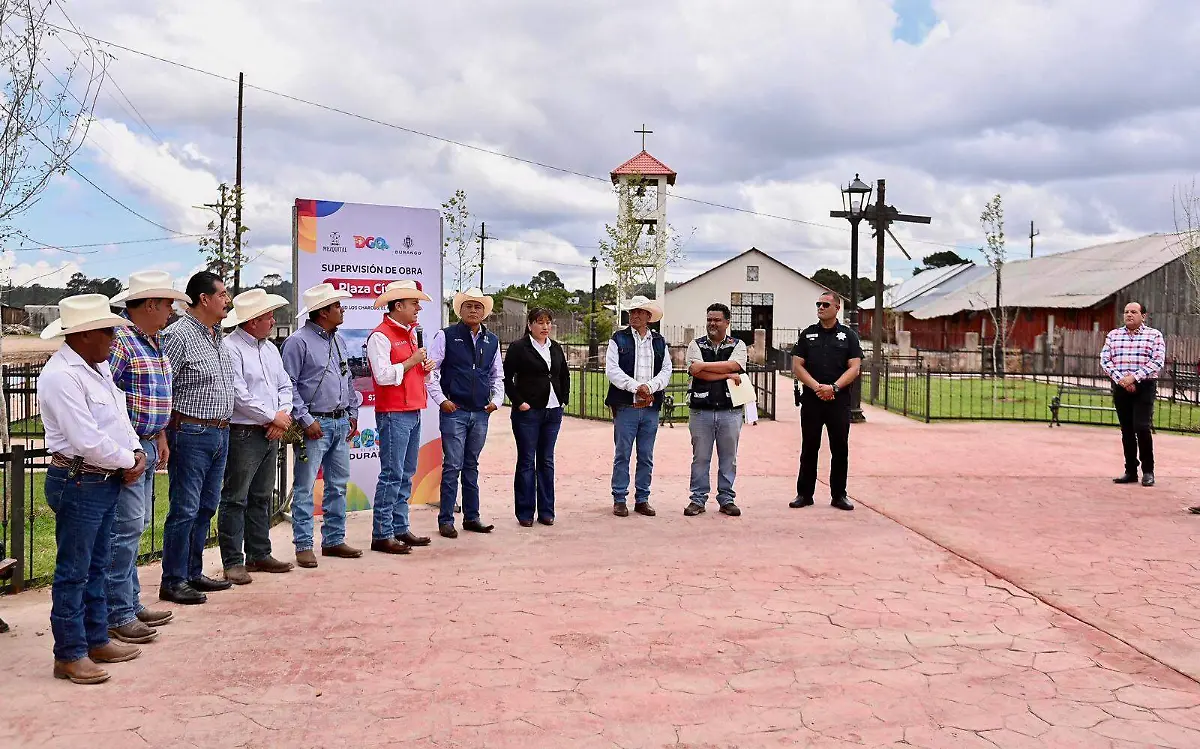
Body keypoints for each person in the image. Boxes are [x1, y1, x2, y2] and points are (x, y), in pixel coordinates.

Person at [38, 294, 149, 684]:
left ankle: (96, 636)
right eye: (107, 331)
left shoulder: (94, 368)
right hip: (80, 479)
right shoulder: (61, 376)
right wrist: (128, 459)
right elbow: (86, 439)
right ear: (84, 335)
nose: (113, 340)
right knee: (74, 570)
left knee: (97, 564)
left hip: (100, 478)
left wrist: (134, 450)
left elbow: (117, 419)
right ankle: (69, 653)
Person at [105, 271, 189, 644]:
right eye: (168, 303)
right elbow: (107, 398)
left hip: (148, 441)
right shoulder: (121, 342)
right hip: (129, 447)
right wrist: (130, 447)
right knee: (125, 529)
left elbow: (152, 395)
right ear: (151, 304)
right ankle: (116, 612)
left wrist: (159, 436)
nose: (171, 310)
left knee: (134, 527)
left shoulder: (151, 340)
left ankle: (130, 602)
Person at [160, 271, 236, 605]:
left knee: (206, 506)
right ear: (203, 299)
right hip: (191, 431)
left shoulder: (217, 334)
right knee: (185, 508)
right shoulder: (178, 335)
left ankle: (192, 571)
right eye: (222, 294)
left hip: (220, 431)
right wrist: (163, 432)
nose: (227, 300)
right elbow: (164, 387)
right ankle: (173, 579)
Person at [281, 283, 364, 568]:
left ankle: (333, 540)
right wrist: (305, 419)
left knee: (337, 486)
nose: (342, 310)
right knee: (304, 487)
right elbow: (287, 385)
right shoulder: (298, 342)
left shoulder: (339, 340)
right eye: (337, 306)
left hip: (340, 422)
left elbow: (347, 377)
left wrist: (353, 412)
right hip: (315, 424)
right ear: (323, 312)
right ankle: (304, 545)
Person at [218, 289, 296, 584]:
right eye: (267, 316)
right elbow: (238, 395)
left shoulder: (270, 349)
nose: (272, 320)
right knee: (236, 497)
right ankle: (233, 560)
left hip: (267, 430)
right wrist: (272, 416)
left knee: (261, 496)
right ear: (252, 321)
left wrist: (281, 415)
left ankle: (259, 552)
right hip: (244, 432)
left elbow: (284, 385)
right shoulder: (231, 348)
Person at [365, 280, 436, 554]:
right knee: (393, 474)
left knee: (405, 473)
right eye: (413, 303)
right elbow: (383, 376)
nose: (418, 308)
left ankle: (399, 527)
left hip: (412, 410)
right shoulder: (380, 336)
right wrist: (412, 362)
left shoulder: (408, 333)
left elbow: (408, 371)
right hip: (394, 412)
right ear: (398, 306)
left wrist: (423, 366)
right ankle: (382, 533)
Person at [427, 288, 502, 537]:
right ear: (460, 310)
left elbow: (496, 375)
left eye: (478, 306)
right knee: (452, 466)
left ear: (484, 312)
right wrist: (441, 400)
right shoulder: (446, 336)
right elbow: (431, 371)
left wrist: (497, 401)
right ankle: (446, 520)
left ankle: (472, 517)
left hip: (481, 412)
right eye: (468, 306)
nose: (473, 310)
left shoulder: (492, 340)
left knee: (472, 465)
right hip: (454, 411)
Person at [791, 291, 862, 512]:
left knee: (839, 448)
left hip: (838, 401)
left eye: (825, 304)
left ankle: (839, 494)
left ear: (837, 308)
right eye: (818, 304)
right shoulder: (808, 335)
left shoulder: (848, 336)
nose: (820, 308)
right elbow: (797, 365)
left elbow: (855, 367)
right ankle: (804, 494)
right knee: (809, 446)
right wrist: (816, 387)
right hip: (812, 400)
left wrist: (834, 388)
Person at [605, 296, 672, 518]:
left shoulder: (659, 341)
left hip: (650, 407)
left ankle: (642, 498)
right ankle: (620, 498)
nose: (634, 315)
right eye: (632, 311)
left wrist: (650, 387)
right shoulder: (618, 339)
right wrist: (637, 388)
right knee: (622, 453)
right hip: (626, 405)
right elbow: (612, 371)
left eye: (639, 312)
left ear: (648, 317)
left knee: (646, 454)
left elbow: (666, 371)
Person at [503, 307, 570, 527]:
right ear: (530, 324)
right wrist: (519, 402)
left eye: (548, 322)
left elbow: (564, 374)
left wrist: (563, 399)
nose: (545, 327)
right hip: (528, 412)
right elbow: (506, 378)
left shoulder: (556, 348)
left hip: (552, 411)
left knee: (546, 461)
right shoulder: (519, 348)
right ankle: (524, 512)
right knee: (526, 461)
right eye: (540, 322)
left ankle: (546, 511)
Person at [683, 303, 748, 518]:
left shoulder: (738, 344)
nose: (712, 323)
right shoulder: (696, 344)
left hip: (730, 410)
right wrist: (725, 373)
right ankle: (697, 499)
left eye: (717, 319)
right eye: (709, 319)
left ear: (727, 322)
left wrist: (706, 367)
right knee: (700, 457)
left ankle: (726, 498)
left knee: (729, 457)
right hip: (701, 410)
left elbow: (735, 366)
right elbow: (696, 372)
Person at [1101, 301, 1165, 487]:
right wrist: (1122, 379)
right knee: (1126, 429)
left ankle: (1148, 471)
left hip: (1144, 386)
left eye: (1134, 312)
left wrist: (1134, 378)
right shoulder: (1113, 335)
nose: (1129, 315)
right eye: (1126, 312)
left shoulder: (1154, 335)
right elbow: (1105, 360)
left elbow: (1157, 361)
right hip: (1121, 386)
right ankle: (1130, 470)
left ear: (1143, 316)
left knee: (1142, 427)